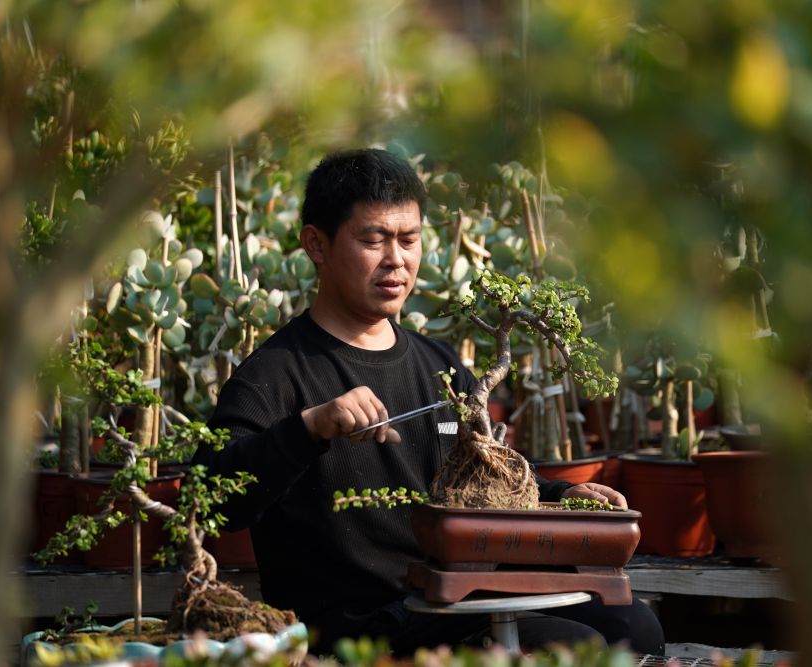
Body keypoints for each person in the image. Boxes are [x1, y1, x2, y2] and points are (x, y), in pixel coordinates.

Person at [192, 148, 665, 657]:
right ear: (317, 245)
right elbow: (210, 499)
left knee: (633, 624)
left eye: (409, 239)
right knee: (571, 648)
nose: (396, 259)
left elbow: (487, 475)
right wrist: (309, 427)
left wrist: (561, 495)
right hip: (364, 621)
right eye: (373, 239)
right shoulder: (276, 372)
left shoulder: (437, 363)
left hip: (458, 595)